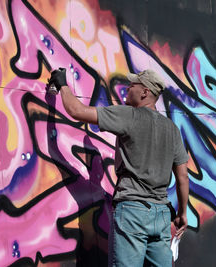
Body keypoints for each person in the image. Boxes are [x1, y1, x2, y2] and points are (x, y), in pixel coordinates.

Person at [48, 68, 189, 267]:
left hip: (132, 212)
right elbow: (182, 177)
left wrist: (62, 84)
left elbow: (76, 111)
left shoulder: (130, 116)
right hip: (162, 216)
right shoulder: (172, 129)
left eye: (132, 86)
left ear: (145, 92)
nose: (127, 89)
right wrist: (183, 213)